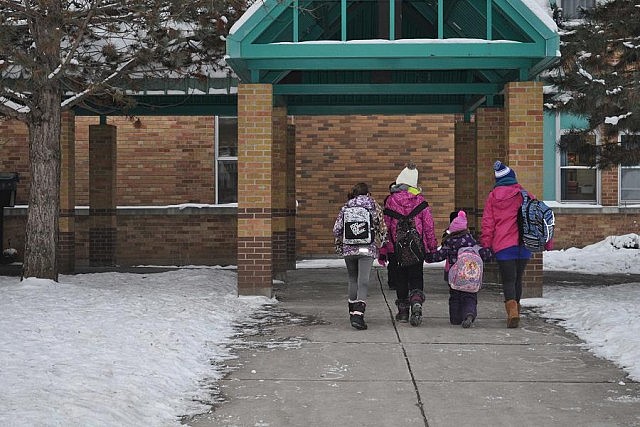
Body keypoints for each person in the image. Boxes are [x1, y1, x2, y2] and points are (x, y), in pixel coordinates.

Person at [480, 161, 551, 328]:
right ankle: (516, 310)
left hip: (503, 245)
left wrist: (486, 244)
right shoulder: (526, 194)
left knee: (508, 280)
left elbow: (488, 224)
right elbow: (541, 218)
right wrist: (546, 242)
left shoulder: (493, 197)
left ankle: (512, 310)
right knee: (518, 278)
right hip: (524, 244)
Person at [378, 162, 437, 326]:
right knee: (416, 277)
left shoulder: (390, 201)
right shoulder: (420, 201)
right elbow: (428, 225)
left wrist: (383, 250)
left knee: (401, 278)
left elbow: (385, 227)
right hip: (416, 247)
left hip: (395, 248)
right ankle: (416, 301)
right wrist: (431, 247)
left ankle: (403, 312)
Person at [333, 182, 387, 330]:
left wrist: (341, 246)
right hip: (366, 249)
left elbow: (337, 229)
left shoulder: (346, 207)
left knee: (352, 279)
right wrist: (380, 244)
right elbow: (381, 228)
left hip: (349, 249)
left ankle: (352, 310)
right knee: (363, 280)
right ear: (368, 193)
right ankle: (358, 314)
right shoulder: (373, 206)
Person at [426, 210, 493, 328]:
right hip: (471, 275)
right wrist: (492, 252)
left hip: (455, 277)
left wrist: (428, 257)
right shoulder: (472, 241)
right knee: (470, 296)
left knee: (455, 297)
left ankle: (455, 318)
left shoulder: (450, 242)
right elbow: (484, 253)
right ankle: (469, 314)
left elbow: (439, 255)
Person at [383, 182, 399, 290]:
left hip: (392, 238)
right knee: (395, 262)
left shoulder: (389, 201)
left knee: (393, 262)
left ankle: (393, 282)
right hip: (397, 239)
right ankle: (394, 282)